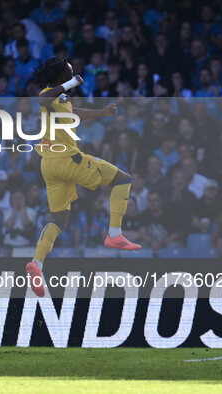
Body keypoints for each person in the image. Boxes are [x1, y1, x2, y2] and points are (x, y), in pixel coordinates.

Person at [26, 57, 140, 298]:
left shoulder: (61, 100)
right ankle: (114, 235)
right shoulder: (49, 94)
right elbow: (41, 98)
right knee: (123, 179)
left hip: (49, 166)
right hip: (68, 160)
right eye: (69, 72)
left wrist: (103, 113)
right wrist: (71, 84)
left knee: (59, 219)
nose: (73, 73)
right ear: (61, 77)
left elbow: (74, 113)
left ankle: (37, 263)